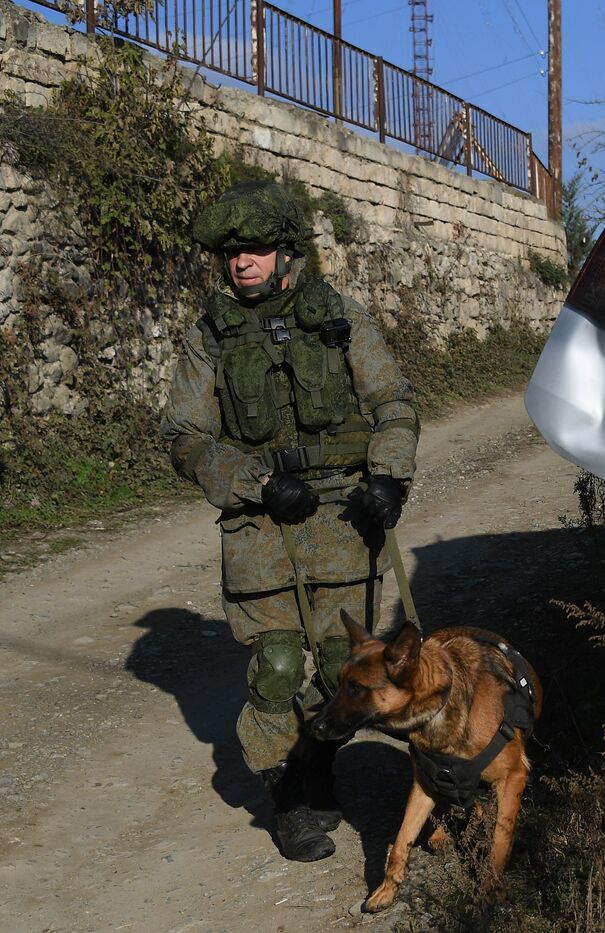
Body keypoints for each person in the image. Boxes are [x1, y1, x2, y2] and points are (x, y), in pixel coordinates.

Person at [160, 180, 419, 861]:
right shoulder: (209, 335)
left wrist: (388, 477)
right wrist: (257, 483)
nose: (241, 262)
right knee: (275, 666)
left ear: (284, 252)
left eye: (254, 249)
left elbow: (393, 399)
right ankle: (291, 799)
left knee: (343, 665)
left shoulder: (338, 316)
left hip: (341, 513)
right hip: (261, 522)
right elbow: (183, 434)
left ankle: (317, 768)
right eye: (230, 253)